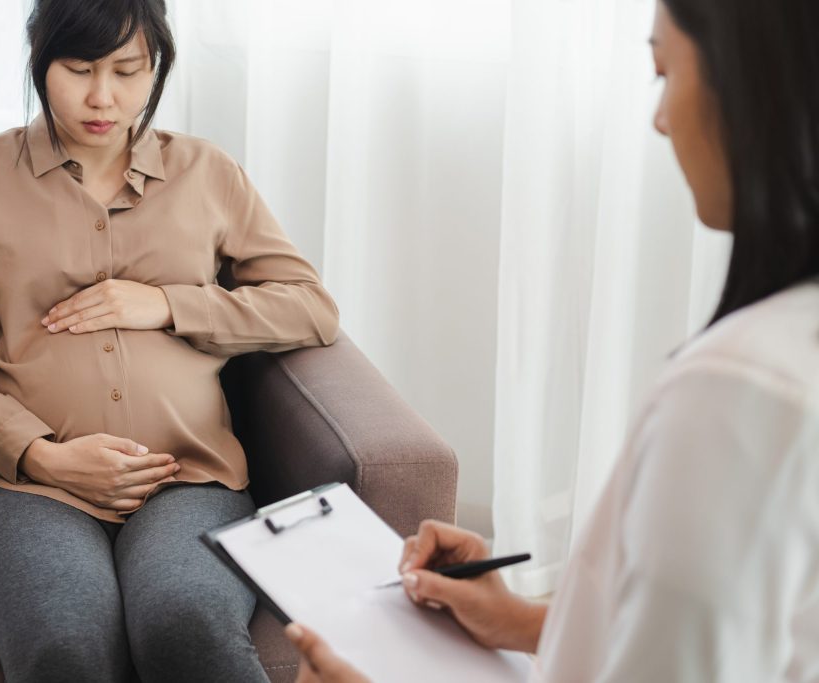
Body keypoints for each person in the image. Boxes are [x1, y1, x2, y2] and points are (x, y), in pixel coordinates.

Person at [285, 0, 819, 680]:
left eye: (664, 71)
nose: (660, 118)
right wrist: (522, 620)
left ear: (757, 86)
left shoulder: (740, 392)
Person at [0, 1, 338, 681]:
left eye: (127, 70)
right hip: (29, 491)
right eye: (78, 68)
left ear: (158, 68)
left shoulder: (206, 172)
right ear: (39, 60)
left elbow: (311, 308)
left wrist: (166, 304)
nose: (101, 97)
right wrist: (43, 456)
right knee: (63, 641)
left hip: (190, 477)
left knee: (187, 619)